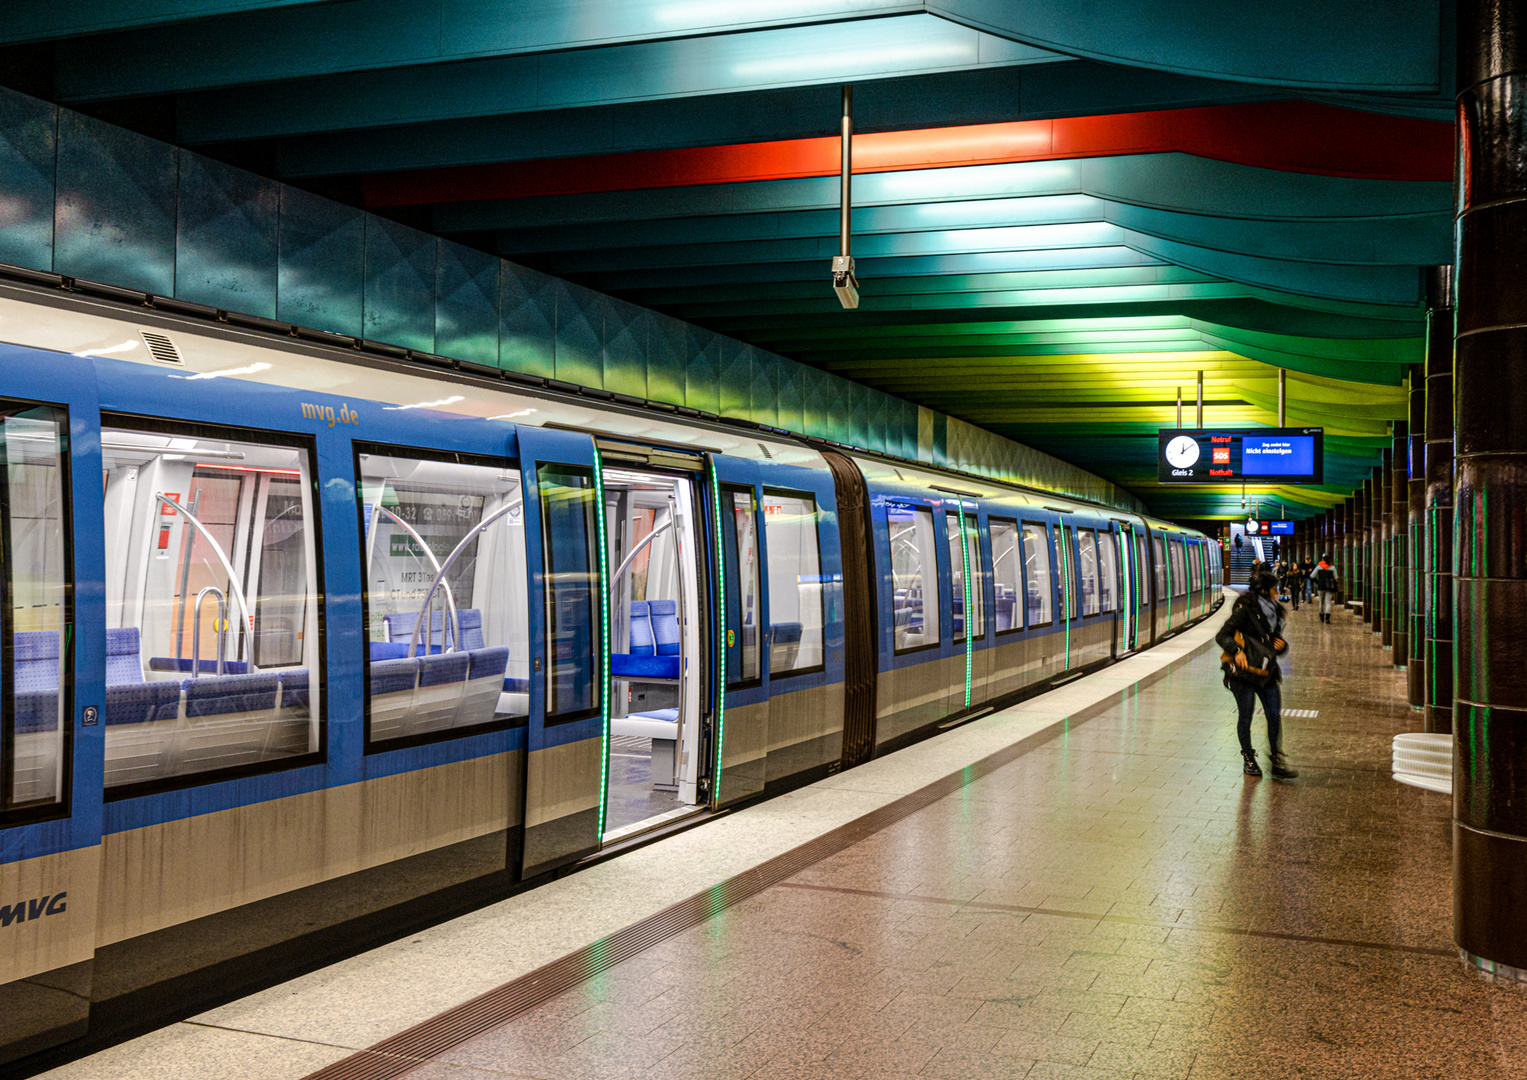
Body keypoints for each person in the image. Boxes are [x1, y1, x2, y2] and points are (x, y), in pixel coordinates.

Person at [1216, 570, 1298, 778]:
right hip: (1242, 673)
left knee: (1273, 714)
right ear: (1264, 590)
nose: (1278, 592)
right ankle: (1248, 757)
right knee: (1246, 716)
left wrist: (1281, 647)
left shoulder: (1277, 613)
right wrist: (1237, 651)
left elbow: (1272, 642)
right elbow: (1222, 635)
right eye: (1274, 588)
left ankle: (1277, 758)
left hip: (1265, 671)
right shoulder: (1245, 610)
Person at [1312, 552, 1338, 623]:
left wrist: (1317, 582)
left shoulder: (1318, 567)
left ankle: (1321, 616)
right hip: (1329, 587)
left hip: (1320, 586)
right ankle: (1327, 618)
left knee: (1321, 602)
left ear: (1322, 559)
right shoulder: (1332, 567)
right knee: (1328, 602)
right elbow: (1336, 577)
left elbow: (1312, 576)